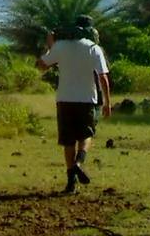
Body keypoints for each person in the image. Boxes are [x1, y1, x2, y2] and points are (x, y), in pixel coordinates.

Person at [36, 14, 111, 193]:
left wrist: (50, 46)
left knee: (68, 140)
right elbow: (103, 77)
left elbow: (41, 66)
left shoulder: (61, 46)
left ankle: (71, 182)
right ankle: (79, 162)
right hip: (87, 100)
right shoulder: (94, 48)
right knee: (86, 134)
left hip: (64, 99)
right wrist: (108, 102)